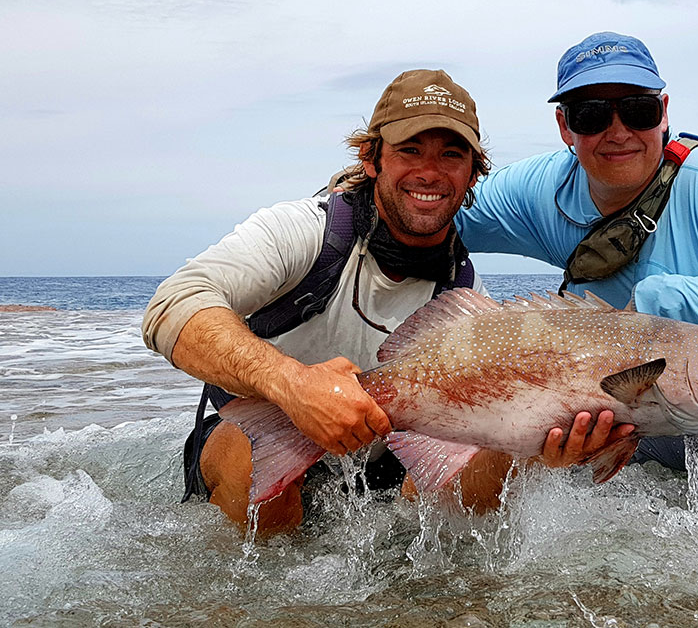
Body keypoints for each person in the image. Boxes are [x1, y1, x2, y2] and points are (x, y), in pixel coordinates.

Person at [143, 69, 614, 535]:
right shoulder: (303, 231)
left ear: (473, 173)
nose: (430, 172)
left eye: (452, 155)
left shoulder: (465, 298)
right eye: (410, 150)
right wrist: (294, 386)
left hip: (377, 470)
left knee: (460, 496)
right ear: (372, 159)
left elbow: (463, 493)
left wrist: (529, 452)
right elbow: (173, 305)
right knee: (251, 464)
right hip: (249, 440)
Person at [455, 32, 698, 525]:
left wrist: (659, 299)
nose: (617, 132)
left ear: (663, 112)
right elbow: (426, 204)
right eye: (592, 114)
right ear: (564, 126)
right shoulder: (542, 188)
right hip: (625, 414)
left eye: (637, 110)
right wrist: (336, 205)